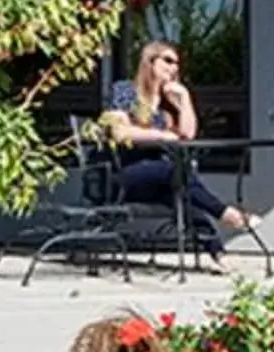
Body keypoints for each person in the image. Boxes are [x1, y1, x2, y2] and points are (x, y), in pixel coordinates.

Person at [99, 40, 253, 238]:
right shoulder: (125, 91)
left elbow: (187, 135)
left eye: (177, 64)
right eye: (168, 61)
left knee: (186, 193)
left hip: (161, 178)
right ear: (150, 62)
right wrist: (162, 135)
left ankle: (218, 254)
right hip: (126, 173)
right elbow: (120, 133)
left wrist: (185, 99)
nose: (174, 68)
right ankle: (227, 214)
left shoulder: (167, 104)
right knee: (177, 173)